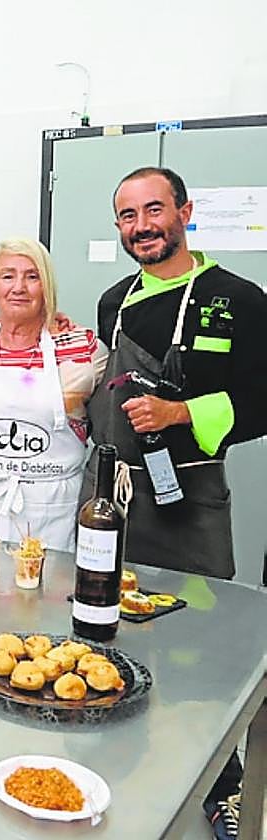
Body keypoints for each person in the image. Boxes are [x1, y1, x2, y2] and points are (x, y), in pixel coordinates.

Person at [88, 166, 267, 577]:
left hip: (190, 502)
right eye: (129, 216)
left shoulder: (238, 298)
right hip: (112, 497)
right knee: (105, 612)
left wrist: (180, 412)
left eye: (154, 210)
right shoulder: (113, 302)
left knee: (197, 628)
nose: (142, 226)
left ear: (185, 213)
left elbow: (262, 402)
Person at [0, 238, 107, 550]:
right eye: (8, 276)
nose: (19, 287)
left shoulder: (83, 349)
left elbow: (111, 420)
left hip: (49, 510)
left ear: (47, 287)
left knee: (43, 593)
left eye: (32, 276)